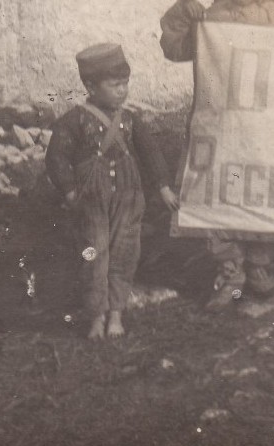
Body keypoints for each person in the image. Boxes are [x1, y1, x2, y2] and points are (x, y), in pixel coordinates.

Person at [159, 0, 274, 311]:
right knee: (219, 193)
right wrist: (180, 17)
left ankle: (260, 267)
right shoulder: (211, 20)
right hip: (221, 126)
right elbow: (174, 50)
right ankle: (230, 269)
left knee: (263, 191)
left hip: (264, 127)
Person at [45, 43, 179, 340]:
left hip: (130, 196)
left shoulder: (130, 120)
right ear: (91, 86)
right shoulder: (74, 120)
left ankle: (116, 315)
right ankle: (96, 316)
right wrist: (69, 192)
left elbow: (151, 153)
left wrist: (163, 187)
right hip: (91, 200)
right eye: (114, 84)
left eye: (125, 83)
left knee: (125, 252)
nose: (122, 90)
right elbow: (57, 157)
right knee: (94, 253)